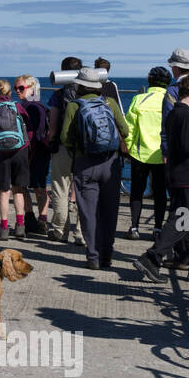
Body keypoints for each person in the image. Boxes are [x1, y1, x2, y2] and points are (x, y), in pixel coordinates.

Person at [133, 74, 189, 283]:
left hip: (178, 175)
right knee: (184, 220)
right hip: (188, 178)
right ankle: (153, 256)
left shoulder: (173, 113)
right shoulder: (185, 115)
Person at [59, 66, 129, 270]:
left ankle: (93, 257)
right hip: (110, 163)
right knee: (109, 210)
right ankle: (107, 255)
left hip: (85, 163)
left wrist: (77, 147)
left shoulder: (74, 105)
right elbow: (124, 129)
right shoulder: (110, 102)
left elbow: (65, 137)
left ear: (80, 85)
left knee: (88, 212)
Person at [124, 66, 170, 240]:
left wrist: (128, 148)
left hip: (139, 152)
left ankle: (134, 227)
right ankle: (157, 229)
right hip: (162, 154)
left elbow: (129, 128)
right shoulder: (170, 100)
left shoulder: (139, 99)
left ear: (149, 81)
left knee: (137, 191)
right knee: (160, 193)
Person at [0, 79, 30, 240]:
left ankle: (3, 228)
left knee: (4, 192)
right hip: (20, 151)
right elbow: (27, 127)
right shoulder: (17, 107)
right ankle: (20, 226)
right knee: (18, 189)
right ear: (9, 93)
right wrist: (26, 148)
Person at [46, 56, 83, 242]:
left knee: (61, 187)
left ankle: (60, 230)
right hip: (85, 149)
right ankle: (82, 233)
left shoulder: (58, 95)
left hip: (62, 145)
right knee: (85, 189)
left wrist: (52, 139)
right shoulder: (90, 94)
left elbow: (53, 123)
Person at [15, 74, 49, 235]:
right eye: (16, 88)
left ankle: (39, 219)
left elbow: (37, 132)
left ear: (31, 88)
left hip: (36, 151)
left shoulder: (34, 107)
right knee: (31, 186)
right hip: (33, 151)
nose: (17, 91)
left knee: (37, 187)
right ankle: (34, 219)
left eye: (21, 88)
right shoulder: (29, 106)